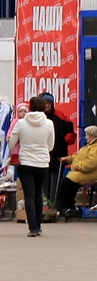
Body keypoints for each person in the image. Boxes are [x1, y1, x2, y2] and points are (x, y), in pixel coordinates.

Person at [3, 96, 54, 237]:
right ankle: (39, 225)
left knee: (29, 196)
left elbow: (11, 143)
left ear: (30, 107)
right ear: (44, 107)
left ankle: (32, 228)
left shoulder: (20, 123)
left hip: (25, 163)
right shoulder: (49, 124)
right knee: (38, 194)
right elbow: (50, 146)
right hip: (43, 163)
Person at [54, 126, 97, 219]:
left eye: (87, 135)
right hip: (86, 171)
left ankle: (63, 207)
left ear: (93, 136)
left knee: (66, 182)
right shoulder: (91, 145)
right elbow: (79, 157)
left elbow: (91, 164)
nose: (85, 137)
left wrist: (76, 166)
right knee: (69, 182)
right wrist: (68, 159)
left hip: (93, 172)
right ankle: (68, 206)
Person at [40, 92, 76, 204]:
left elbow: (71, 133)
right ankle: (45, 206)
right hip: (42, 156)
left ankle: (54, 206)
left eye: (49, 104)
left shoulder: (61, 116)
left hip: (57, 155)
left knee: (55, 183)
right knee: (44, 183)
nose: (46, 106)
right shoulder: (37, 117)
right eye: (44, 104)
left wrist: (64, 141)